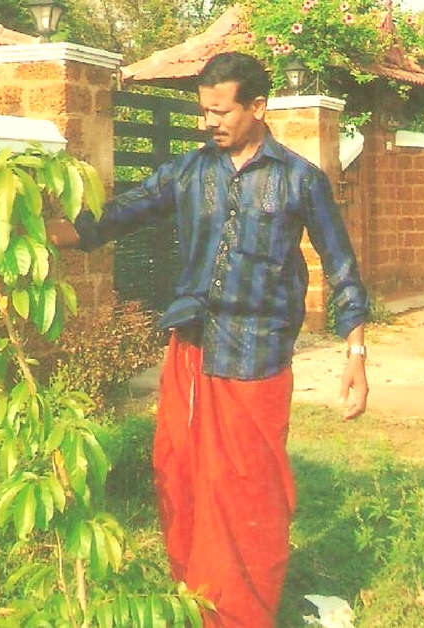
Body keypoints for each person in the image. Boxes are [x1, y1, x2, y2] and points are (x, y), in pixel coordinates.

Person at [46, 51, 370, 628]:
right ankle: (195, 600)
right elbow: (120, 214)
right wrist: (32, 235)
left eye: (220, 111)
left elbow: (341, 266)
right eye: (203, 112)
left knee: (249, 492)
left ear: (258, 108)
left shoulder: (300, 179)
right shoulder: (191, 171)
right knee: (179, 473)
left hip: (258, 354)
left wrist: (356, 353)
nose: (209, 123)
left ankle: (243, 614)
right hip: (192, 347)